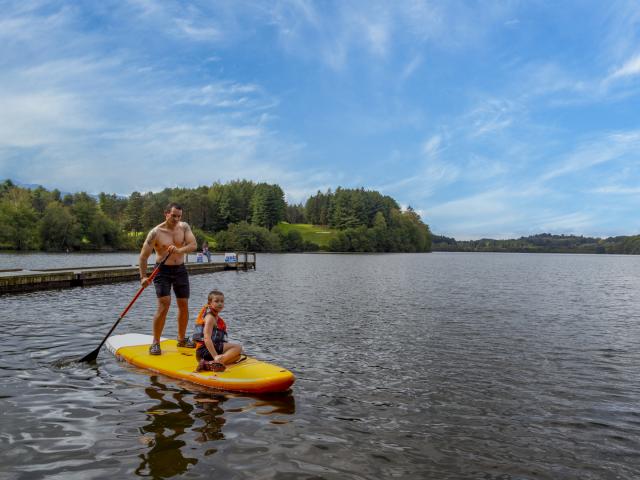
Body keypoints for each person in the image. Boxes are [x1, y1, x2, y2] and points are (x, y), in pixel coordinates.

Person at [139, 202, 197, 355]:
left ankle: (182, 339)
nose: (177, 219)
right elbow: (143, 257)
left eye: (179, 216)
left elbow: (193, 245)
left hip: (180, 270)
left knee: (183, 304)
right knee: (164, 304)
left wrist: (179, 250)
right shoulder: (156, 232)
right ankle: (155, 343)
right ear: (166, 214)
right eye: (173, 216)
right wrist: (143, 277)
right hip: (161, 270)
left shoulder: (184, 227)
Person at [192, 290, 242, 372]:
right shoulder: (210, 318)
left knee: (237, 356)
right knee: (238, 347)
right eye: (216, 301)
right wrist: (215, 356)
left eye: (222, 301)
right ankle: (216, 361)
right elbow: (206, 338)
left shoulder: (215, 317)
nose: (220, 303)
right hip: (203, 351)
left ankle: (207, 364)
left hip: (207, 352)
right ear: (209, 303)